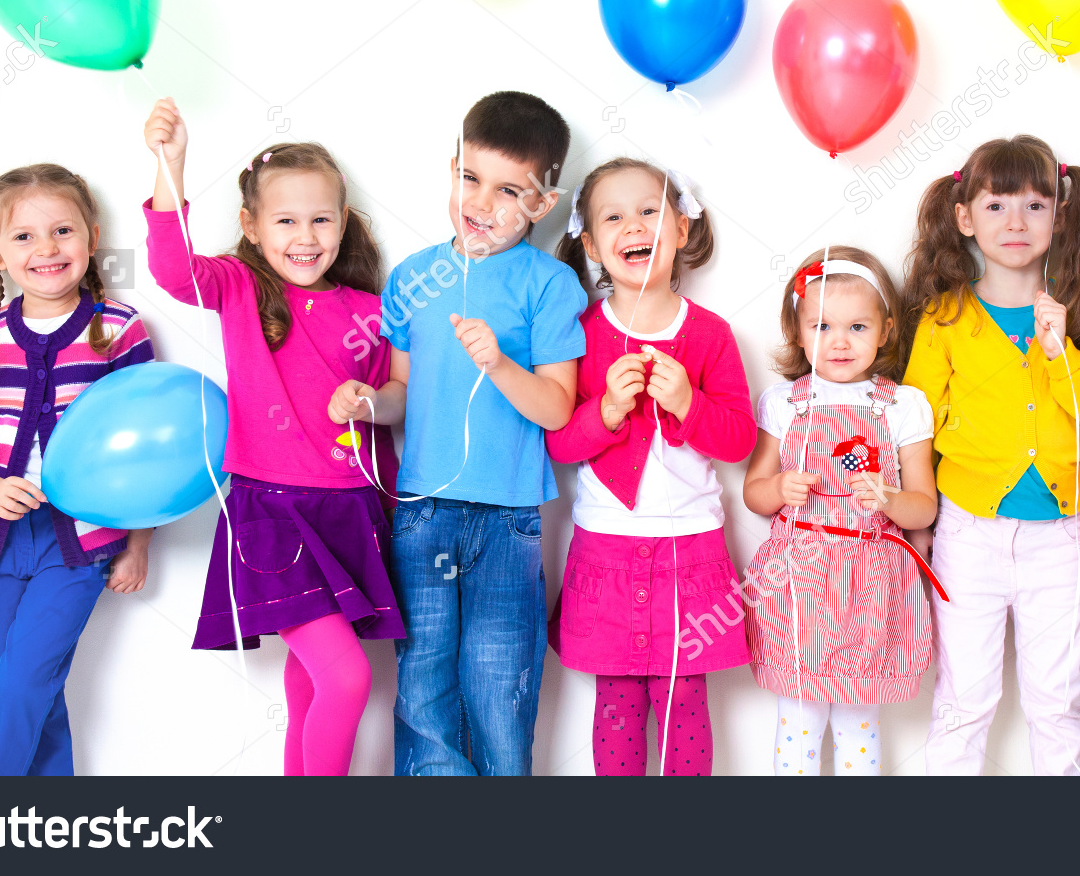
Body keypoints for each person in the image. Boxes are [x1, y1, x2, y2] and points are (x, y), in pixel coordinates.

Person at [144, 99, 404, 776]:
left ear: (343, 223)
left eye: (321, 218)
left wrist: (371, 402)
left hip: (349, 511)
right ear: (252, 227)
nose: (305, 235)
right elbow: (175, 270)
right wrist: (170, 169)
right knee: (346, 680)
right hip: (272, 515)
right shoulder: (237, 288)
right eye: (285, 220)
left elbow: (396, 404)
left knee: (313, 680)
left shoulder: (372, 312)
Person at [902, 136, 1080, 775]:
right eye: (997, 206)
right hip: (967, 534)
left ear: (1059, 214)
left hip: (1057, 541)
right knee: (963, 701)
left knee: (1056, 704)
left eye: (1035, 205)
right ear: (965, 218)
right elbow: (912, 424)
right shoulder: (946, 319)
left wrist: (1062, 356)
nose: (1017, 223)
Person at [380, 91, 586, 775]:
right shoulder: (412, 277)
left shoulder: (549, 285)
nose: (482, 202)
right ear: (451, 168)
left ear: (541, 204)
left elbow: (558, 408)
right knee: (423, 684)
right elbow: (403, 396)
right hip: (422, 511)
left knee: (500, 685)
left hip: (507, 519)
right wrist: (368, 402)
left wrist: (498, 361)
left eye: (508, 191)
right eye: (470, 178)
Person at [0, 164, 155, 775]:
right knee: (35, 690)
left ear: (90, 234)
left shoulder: (116, 328)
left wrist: (138, 544)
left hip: (77, 543)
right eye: (24, 237)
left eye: (62, 231)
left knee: (18, 686)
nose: (47, 249)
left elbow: (143, 453)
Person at [549, 159, 754, 775]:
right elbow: (559, 445)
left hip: (691, 552)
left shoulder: (712, 336)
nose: (633, 225)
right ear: (589, 244)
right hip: (607, 549)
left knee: (685, 699)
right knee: (616, 703)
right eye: (613, 216)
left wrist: (690, 404)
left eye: (648, 210)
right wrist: (607, 410)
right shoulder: (580, 335)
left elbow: (740, 440)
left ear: (682, 229)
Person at [742, 246, 938, 775]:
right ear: (798, 331)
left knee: (857, 720)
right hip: (799, 581)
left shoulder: (902, 405)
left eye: (857, 326)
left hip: (870, 581)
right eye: (822, 325)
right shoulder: (785, 403)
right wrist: (780, 487)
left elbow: (924, 508)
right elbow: (753, 493)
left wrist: (891, 500)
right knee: (799, 718)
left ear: (886, 329)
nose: (839, 341)